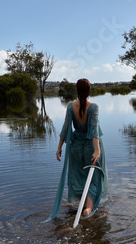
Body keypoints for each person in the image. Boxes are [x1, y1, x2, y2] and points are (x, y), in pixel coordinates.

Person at [46, 78, 108, 221]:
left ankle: (82, 205)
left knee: (80, 177)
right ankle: (88, 209)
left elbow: (65, 128)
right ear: (89, 90)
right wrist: (97, 151)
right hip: (90, 147)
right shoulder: (94, 107)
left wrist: (59, 146)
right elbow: (94, 132)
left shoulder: (70, 106)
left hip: (75, 147)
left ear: (77, 90)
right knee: (94, 177)